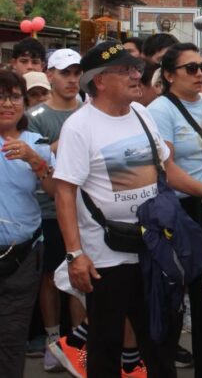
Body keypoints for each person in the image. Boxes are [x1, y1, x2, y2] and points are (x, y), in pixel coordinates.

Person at [52, 40, 177, 378]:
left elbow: (168, 168)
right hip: (106, 256)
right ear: (100, 81)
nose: (136, 75)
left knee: (158, 340)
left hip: (151, 246)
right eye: (125, 70)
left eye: (135, 68)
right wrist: (75, 254)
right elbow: (64, 192)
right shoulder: (80, 126)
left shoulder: (141, 113)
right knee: (106, 346)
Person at [147, 43, 202, 375]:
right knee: (177, 297)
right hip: (182, 211)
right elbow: (167, 169)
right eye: (191, 68)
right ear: (170, 75)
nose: (200, 73)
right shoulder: (162, 109)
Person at [25, 48, 85, 372]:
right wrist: (62, 144)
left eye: (77, 73)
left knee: (80, 276)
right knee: (50, 277)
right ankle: (52, 340)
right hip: (48, 208)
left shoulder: (91, 108)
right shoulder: (35, 117)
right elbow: (32, 160)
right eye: (65, 73)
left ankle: (78, 342)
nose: (72, 80)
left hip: (85, 208)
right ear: (50, 75)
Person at [0, 71, 56, 378]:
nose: (8, 103)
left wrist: (36, 161)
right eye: (0, 96)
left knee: (12, 335)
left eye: (15, 96)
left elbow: (56, 192)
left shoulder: (38, 142)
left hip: (23, 253)